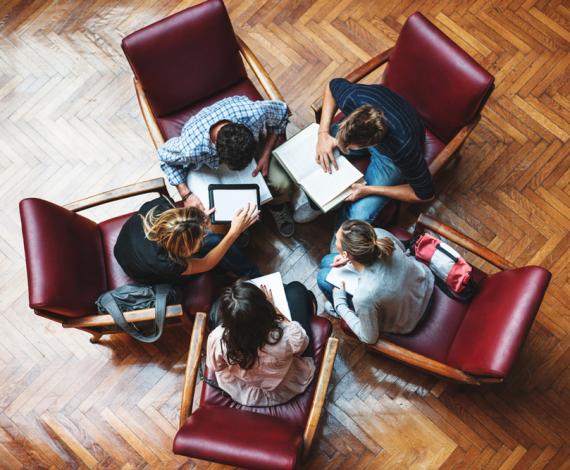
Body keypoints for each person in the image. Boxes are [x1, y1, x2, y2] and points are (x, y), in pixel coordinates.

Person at [158, 96, 319, 238]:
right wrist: (186, 195)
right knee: (213, 213)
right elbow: (164, 156)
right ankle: (235, 226)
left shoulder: (253, 113)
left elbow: (281, 112)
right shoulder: (191, 148)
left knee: (282, 182)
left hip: (253, 151)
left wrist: (265, 154)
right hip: (207, 169)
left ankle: (277, 206)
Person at [315, 78, 435, 226]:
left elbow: (425, 195)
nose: (341, 146)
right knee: (320, 155)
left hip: (390, 157)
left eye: (349, 147)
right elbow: (331, 85)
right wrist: (323, 134)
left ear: (372, 145)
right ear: (348, 120)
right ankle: (316, 203)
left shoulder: (404, 148)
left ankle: (338, 243)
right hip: (383, 122)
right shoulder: (354, 97)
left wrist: (369, 190)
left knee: (357, 216)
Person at [317, 219, 434, 344]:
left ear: (346, 254)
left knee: (323, 278)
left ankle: (339, 311)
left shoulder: (364, 296)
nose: (336, 240)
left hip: (409, 320)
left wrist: (340, 304)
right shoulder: (379, 235)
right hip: (425, 283)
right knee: (326, 261)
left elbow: (369, 338)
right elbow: (402, 248)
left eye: (336, 239)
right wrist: (350, 259)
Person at [206, 280, 317, 407]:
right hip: (284, 388)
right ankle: (311, 304)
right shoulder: (285, 336)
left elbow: (215, 366)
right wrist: (277, 311)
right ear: (265, 309)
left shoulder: (217, 339)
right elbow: (303, 345)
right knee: (295, 289)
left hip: (246, 389)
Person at [114, 195, 260, 285]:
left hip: (125, 245)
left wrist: (196, 220)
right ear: (184, 251)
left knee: (217, 243)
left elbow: (181, 221)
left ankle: (239, 267)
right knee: (215, 241)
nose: (205, 232)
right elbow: (206, 263)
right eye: (201, 235)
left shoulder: (159, 207)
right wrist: (234, 232)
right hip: (142, 271)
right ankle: (255, 276)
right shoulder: (168, 263)